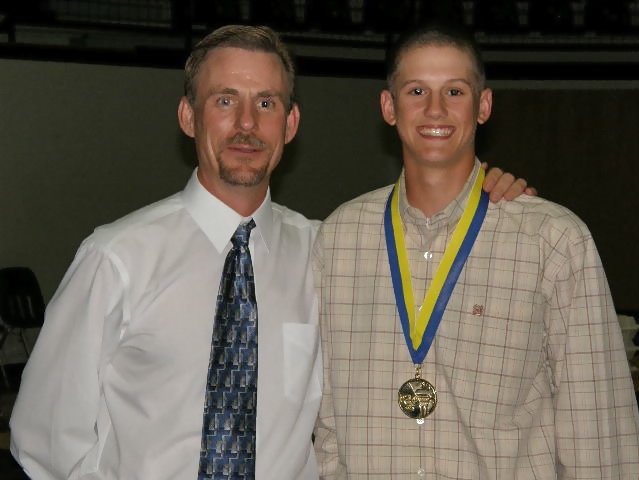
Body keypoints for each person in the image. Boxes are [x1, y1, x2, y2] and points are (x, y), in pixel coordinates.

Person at [9, 25, 530, 480]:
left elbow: (436, 275)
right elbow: (44, 434)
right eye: (224, 100)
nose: (246, 123)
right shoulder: (116, 257)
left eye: (266, 103)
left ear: (291, 123)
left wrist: (490, 201)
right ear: (189, 117)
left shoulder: (332, 252)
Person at [313, 23, 639, 479]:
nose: (435, 109)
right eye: (415, 91)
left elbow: (599, 435)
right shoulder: (338, 239)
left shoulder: (552, 241)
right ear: (389, 107)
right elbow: (327, 420)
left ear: (483, 106)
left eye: (455, 91)